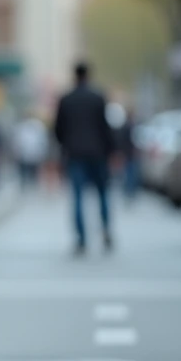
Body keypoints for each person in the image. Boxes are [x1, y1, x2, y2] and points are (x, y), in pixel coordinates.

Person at [54, 62, 115, 253]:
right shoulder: (97, 98)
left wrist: (65, 145)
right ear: (88, 75)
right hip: (97, 153)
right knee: (102, 193)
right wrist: (111, 151)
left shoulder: (66, 99)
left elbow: (58, 129)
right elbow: (105, 127)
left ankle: (81, 238)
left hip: (75, 153)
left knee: (78, 196)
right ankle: (105, 229)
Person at [11, 115, 49, 190]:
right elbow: (17, 141)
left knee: (32, 170)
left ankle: (31, 184)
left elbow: (42, 142)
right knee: (25, 170)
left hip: (32, 154)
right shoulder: (22, 128)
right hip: (25, 153)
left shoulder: (37, 127)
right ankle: (26, 183)